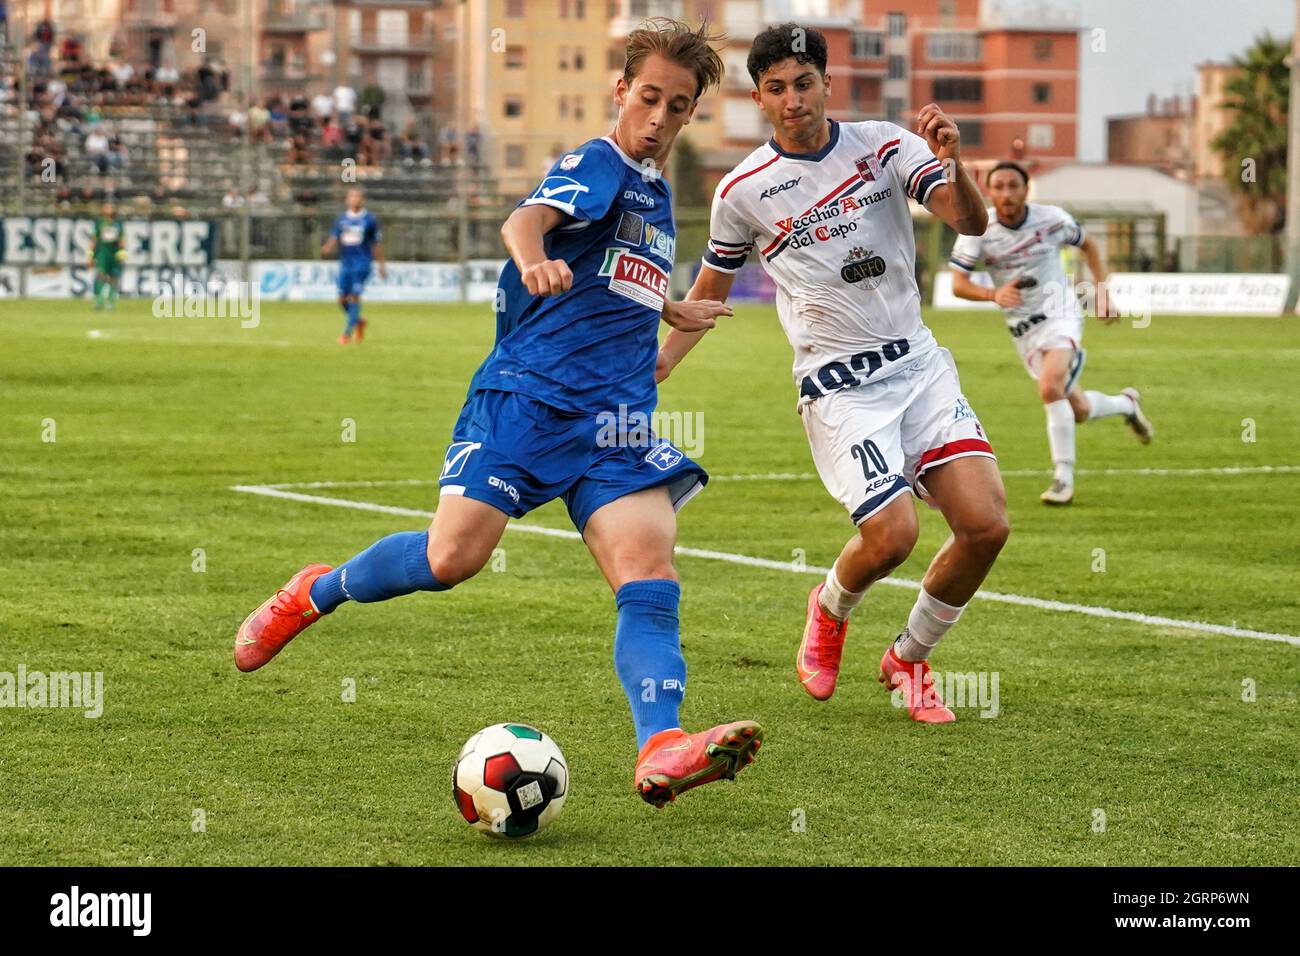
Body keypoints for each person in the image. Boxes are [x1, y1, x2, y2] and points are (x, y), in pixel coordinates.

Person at [234, 18, 761, 809]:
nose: (658, 118)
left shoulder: (655, 194)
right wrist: (533, 258)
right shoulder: (599, 162)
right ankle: (316, 591)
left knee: (649, 572)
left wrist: (669, 305)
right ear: (621, 91)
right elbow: (525, 220)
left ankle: (663, 744)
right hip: (527, 399)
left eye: (678, 106)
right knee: (451, 561)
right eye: (649, 97)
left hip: (613, 426)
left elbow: (610, 279)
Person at [659, 23, 1008, 723]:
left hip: (917, 365)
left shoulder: (884, 145)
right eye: (777, 88)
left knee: (986, 525)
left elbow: (968, 222)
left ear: (826, 83)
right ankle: (830, 607)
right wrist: (652, 370)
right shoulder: (742, 192)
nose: (794, 99)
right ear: (759, 99)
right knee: (894, 536)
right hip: (839, 385)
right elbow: (707, 297)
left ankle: (908, 659)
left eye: (804, 82)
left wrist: (954, 163)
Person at [949, 161, 1153, 505]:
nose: (1006, 193)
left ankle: (1063, 479)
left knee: (1050, 387)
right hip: (1023, 331)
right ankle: (1126, 404)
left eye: (1013, 185)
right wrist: (993, 294)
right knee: (1079, 409)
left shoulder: (1053, 219)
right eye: (998, 186)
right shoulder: (977, 229)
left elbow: (1088, 245)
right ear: (989, 191)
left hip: (1062, 315)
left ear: (1026, 189)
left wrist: (1102, 290)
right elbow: (958, 284)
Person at [321, 188, 386, 344]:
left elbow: (377, 244)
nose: (355, 199)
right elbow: (335, 236)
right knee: (342, 299)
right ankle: (358, 321)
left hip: (362, 263)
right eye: (352, 196)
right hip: (346, 263)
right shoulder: (342, 219)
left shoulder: (369, 219)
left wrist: (381, 265)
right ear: (347, 200)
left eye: (358, 196)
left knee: (354, 297)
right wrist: (328, 246)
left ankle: (346, 334)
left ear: (362, 199)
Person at [87, 202, 125, 309]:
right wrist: (90, 254)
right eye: (107, 207)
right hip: (102, 252)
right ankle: (99, 301)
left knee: (114, 277)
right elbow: (94, 239)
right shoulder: (99, 222)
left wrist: (122, 252)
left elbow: (122, 238)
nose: (109, 209)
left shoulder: (118, 222)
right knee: (101, 275)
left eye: (111, 207)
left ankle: (111, 300)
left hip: (114, 252)